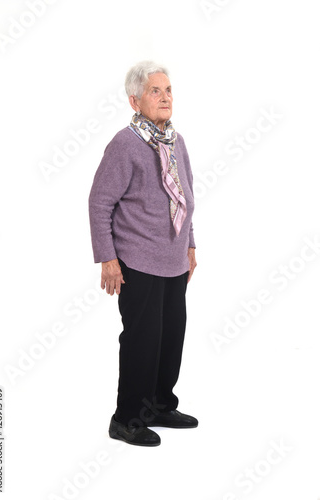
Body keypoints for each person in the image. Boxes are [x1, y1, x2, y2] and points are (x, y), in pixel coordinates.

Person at [88, 61, 198, 447]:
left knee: (171, 338)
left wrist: (190, 243)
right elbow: (100, 203)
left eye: (168, 90)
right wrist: (108, 257)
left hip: (173, 261)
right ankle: (127, 418)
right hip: (138, 260)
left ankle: (160, 404)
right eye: (156, 91)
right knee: (142, 341)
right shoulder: (125, 144)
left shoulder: (175, 141)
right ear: (134, 100)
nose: (166, 97)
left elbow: (182, 197)